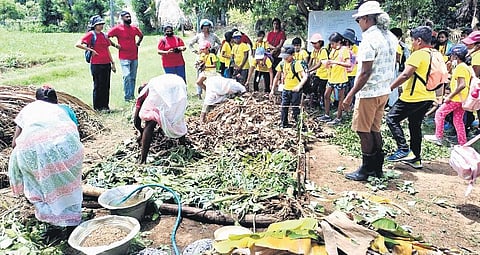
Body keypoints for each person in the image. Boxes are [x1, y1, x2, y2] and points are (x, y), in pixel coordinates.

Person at [8, 86, 83, 226]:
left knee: (41, 185)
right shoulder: (63, 109)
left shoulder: (28, 110)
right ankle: (71, 222)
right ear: (56, 100)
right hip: (66, 149)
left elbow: (14, 144)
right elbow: (75, 135)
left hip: (31, 151)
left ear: (37, 100)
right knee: (67, 184)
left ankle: (50, 220)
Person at [342, 1, 398, 181]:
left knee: (362, 130)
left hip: (369, 91)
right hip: (383, 91)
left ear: (366, 19)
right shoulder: (390, 36)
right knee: (374, 129)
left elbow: (365, 72)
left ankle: (366, 169)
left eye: (359, 20)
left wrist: (350, 95)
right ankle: (377, 168)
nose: (359, 24)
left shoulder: (369, 39)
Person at [386, 26, 439, 169]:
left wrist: (389, 88)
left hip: (413, 97)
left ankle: (403, 149)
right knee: (415, 126)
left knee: (391, 118)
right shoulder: (435, 53)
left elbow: (405, 74)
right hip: (428, 96)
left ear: (419, 41)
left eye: (413, 40)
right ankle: (416, 158)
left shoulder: (418, 54)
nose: (411, 43)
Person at [134, 74, 188, 164]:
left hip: (172, 87)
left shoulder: (144, 95)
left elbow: (136, 120)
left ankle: (143, 160)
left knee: (150, 123)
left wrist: (141, 131)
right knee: (176, 116)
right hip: (179, 85)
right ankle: (183, 144)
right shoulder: (154, 83)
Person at [424, 44, 471, 146]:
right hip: (462, 98)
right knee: (458, 120)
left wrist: (449, 96)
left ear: (456, 56)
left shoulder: (460, 67)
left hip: (456, 98)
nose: (450, 57)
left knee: (439, 113)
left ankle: (438, 137)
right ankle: (463, 143)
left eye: (452, 56)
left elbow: (462, 85)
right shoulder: (465, 67)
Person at [76, 15, 116, 112]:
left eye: (102, 24)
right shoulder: (91, 34)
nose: (101, 26)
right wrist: (90, 50)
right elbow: (78, 44)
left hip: (106, 63)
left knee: (106, 85)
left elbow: (107, 49)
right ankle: (97, 107)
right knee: (98, 85)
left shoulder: (104, 35)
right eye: (99, 24)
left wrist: (112, 63)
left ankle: (105, 106)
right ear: (94, 25)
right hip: (96, 64)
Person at [108, 11, 143, 102]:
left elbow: (141, 35)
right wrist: (115, 45)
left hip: (134, 56)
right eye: (126, 17)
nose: (129, 18)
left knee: (133, 76)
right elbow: (106, 36)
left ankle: (131, 96)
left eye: (129, 16)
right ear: (122, 18)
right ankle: (127, 96)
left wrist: (138, 43)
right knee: (127, 75)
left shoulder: (134, 28)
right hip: (124, 56)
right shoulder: (117, 29)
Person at [317, 32, 352, 126]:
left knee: (340, 98)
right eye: (331, 44)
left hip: (340, 78)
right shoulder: (333, 50)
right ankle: (327, 114)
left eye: (333, 43)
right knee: (326, 95)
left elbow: (348, 64)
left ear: (339, 42)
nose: (331, 45)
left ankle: (339, 118)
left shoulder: (344, 50)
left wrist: (335, 62)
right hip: (331, 77)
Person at [271, 47, 309, 128]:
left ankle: (300, 125)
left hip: (295, 90)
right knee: (284, 107)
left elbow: (305, 77)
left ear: (292, 55)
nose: (284, 58)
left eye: (286, 56)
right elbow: (277, 77)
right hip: (286, 89)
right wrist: (272, 90)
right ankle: (283, 124)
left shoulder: (296, 64)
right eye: (283, 56)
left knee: (295, 108)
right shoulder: (282, 64)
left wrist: (299, 86)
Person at [189, 19, 221, 98]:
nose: (206, 29)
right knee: (199, 75)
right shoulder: (199, 36)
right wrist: (195, 51)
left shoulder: (213, 36)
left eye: (208, 27)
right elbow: (190, 44)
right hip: (201, 58)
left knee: (211, 76)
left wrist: (215, 49)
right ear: (201, 28)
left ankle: (212, 92)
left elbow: (220, 43)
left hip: (211, 58)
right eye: (204, 27)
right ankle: (199, 93)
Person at [307, 33, 329, 108]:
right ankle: (316, 102)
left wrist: (309, 70)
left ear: (320, 42)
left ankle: (323, 104)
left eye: (315, 43)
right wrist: (307, 68)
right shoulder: (314, 51)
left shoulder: (323, 51)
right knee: (314, 88)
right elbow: (311, 61)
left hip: (324, 74)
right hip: (318, 73)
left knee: (321, 89)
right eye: (312, 43)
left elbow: (319, 64)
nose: (313, 45)